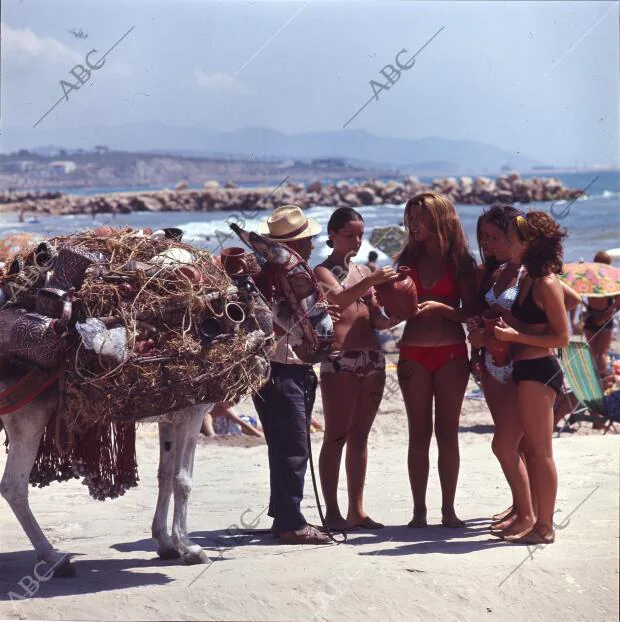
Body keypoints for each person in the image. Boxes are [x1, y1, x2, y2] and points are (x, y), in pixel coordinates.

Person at [389, 192, 477, 528]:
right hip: (413, 352)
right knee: (418, 434)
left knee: (448, 433)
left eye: (421, 216)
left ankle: (449, 510)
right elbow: (392, 308)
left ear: (440, 219)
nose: (413, 223)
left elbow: (471, 311)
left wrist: (443, 309)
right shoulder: (406, 260)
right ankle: (418, 512)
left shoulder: (461, 262)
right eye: (410, 216)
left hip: (452, 352)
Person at [251, 205, 332, 545]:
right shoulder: (285, 275)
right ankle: (290, 521)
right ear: (295, 245)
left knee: (283, 444)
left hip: (272, 368)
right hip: (284, 367)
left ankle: (283, 514)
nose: (312, 245)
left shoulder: (267, 273)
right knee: (293, 445)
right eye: (307, 240)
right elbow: (276, 319)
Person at [314, 208, 400, 531]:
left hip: (372, 359)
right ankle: (332, 512)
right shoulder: (322, 271)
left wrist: (399, 314)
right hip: (340, 360)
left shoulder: (363, 270)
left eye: (360, 235)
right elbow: (337, 301)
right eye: (349, 234)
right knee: (335, 435)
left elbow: (376, 317)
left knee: (360, 437)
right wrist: (371, 280)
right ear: (332, 235)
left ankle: (357, 510)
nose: (357, 240)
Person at [493, 211, 570, 545]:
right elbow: (528, 326)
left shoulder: (547, 283)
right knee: (526, 448)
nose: (508, 244)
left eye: (514, 239)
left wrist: (514, 337)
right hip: (524, 370)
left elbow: (562, 338)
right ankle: (536, 519)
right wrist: (497, 322)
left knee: (540, 451)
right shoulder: (527, 278)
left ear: (531, 242)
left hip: (541, 370)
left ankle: (545, 526)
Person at [581, 251, 620, 376]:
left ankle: (590, 377)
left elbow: (580, 294)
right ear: (608, 263)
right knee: (603, 352)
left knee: (591, 351)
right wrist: (612, 308)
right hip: (605, 316)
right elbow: (618, 298)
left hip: (591, 315)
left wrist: (586, 307)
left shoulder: (589, 277)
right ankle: (602, 378)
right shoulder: (611, 278)